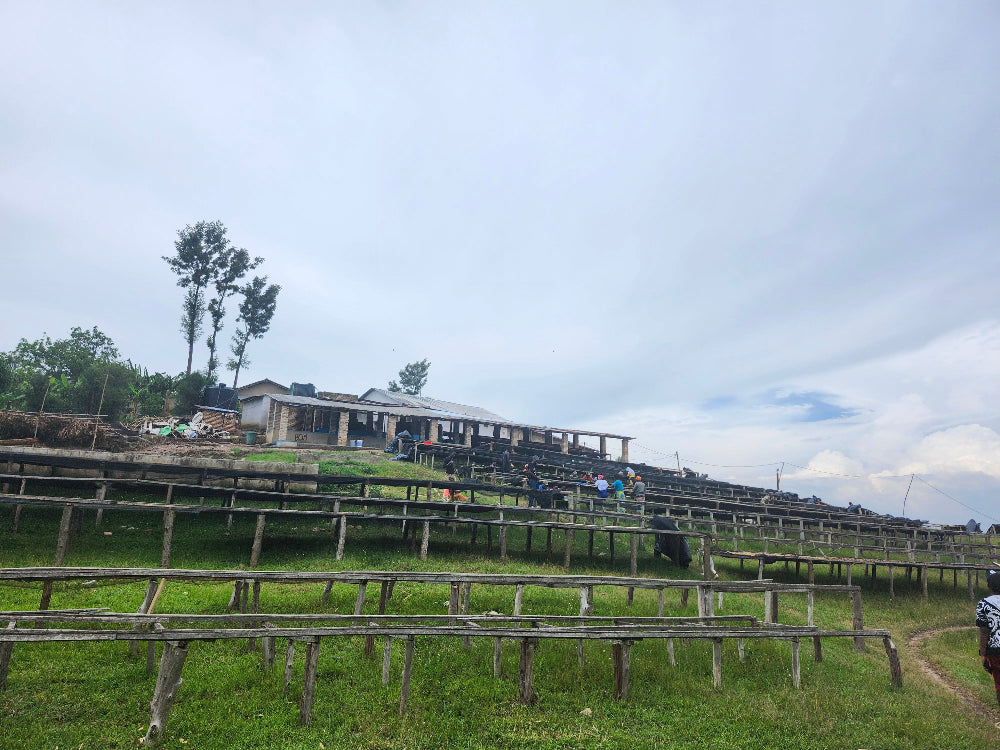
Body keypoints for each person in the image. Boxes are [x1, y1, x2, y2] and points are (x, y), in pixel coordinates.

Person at [977, 571, 1000, 708]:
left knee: (999, 682)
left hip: (995, 651)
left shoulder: (983, 604)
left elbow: (984, 631)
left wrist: (983, 653)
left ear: (989, 586)